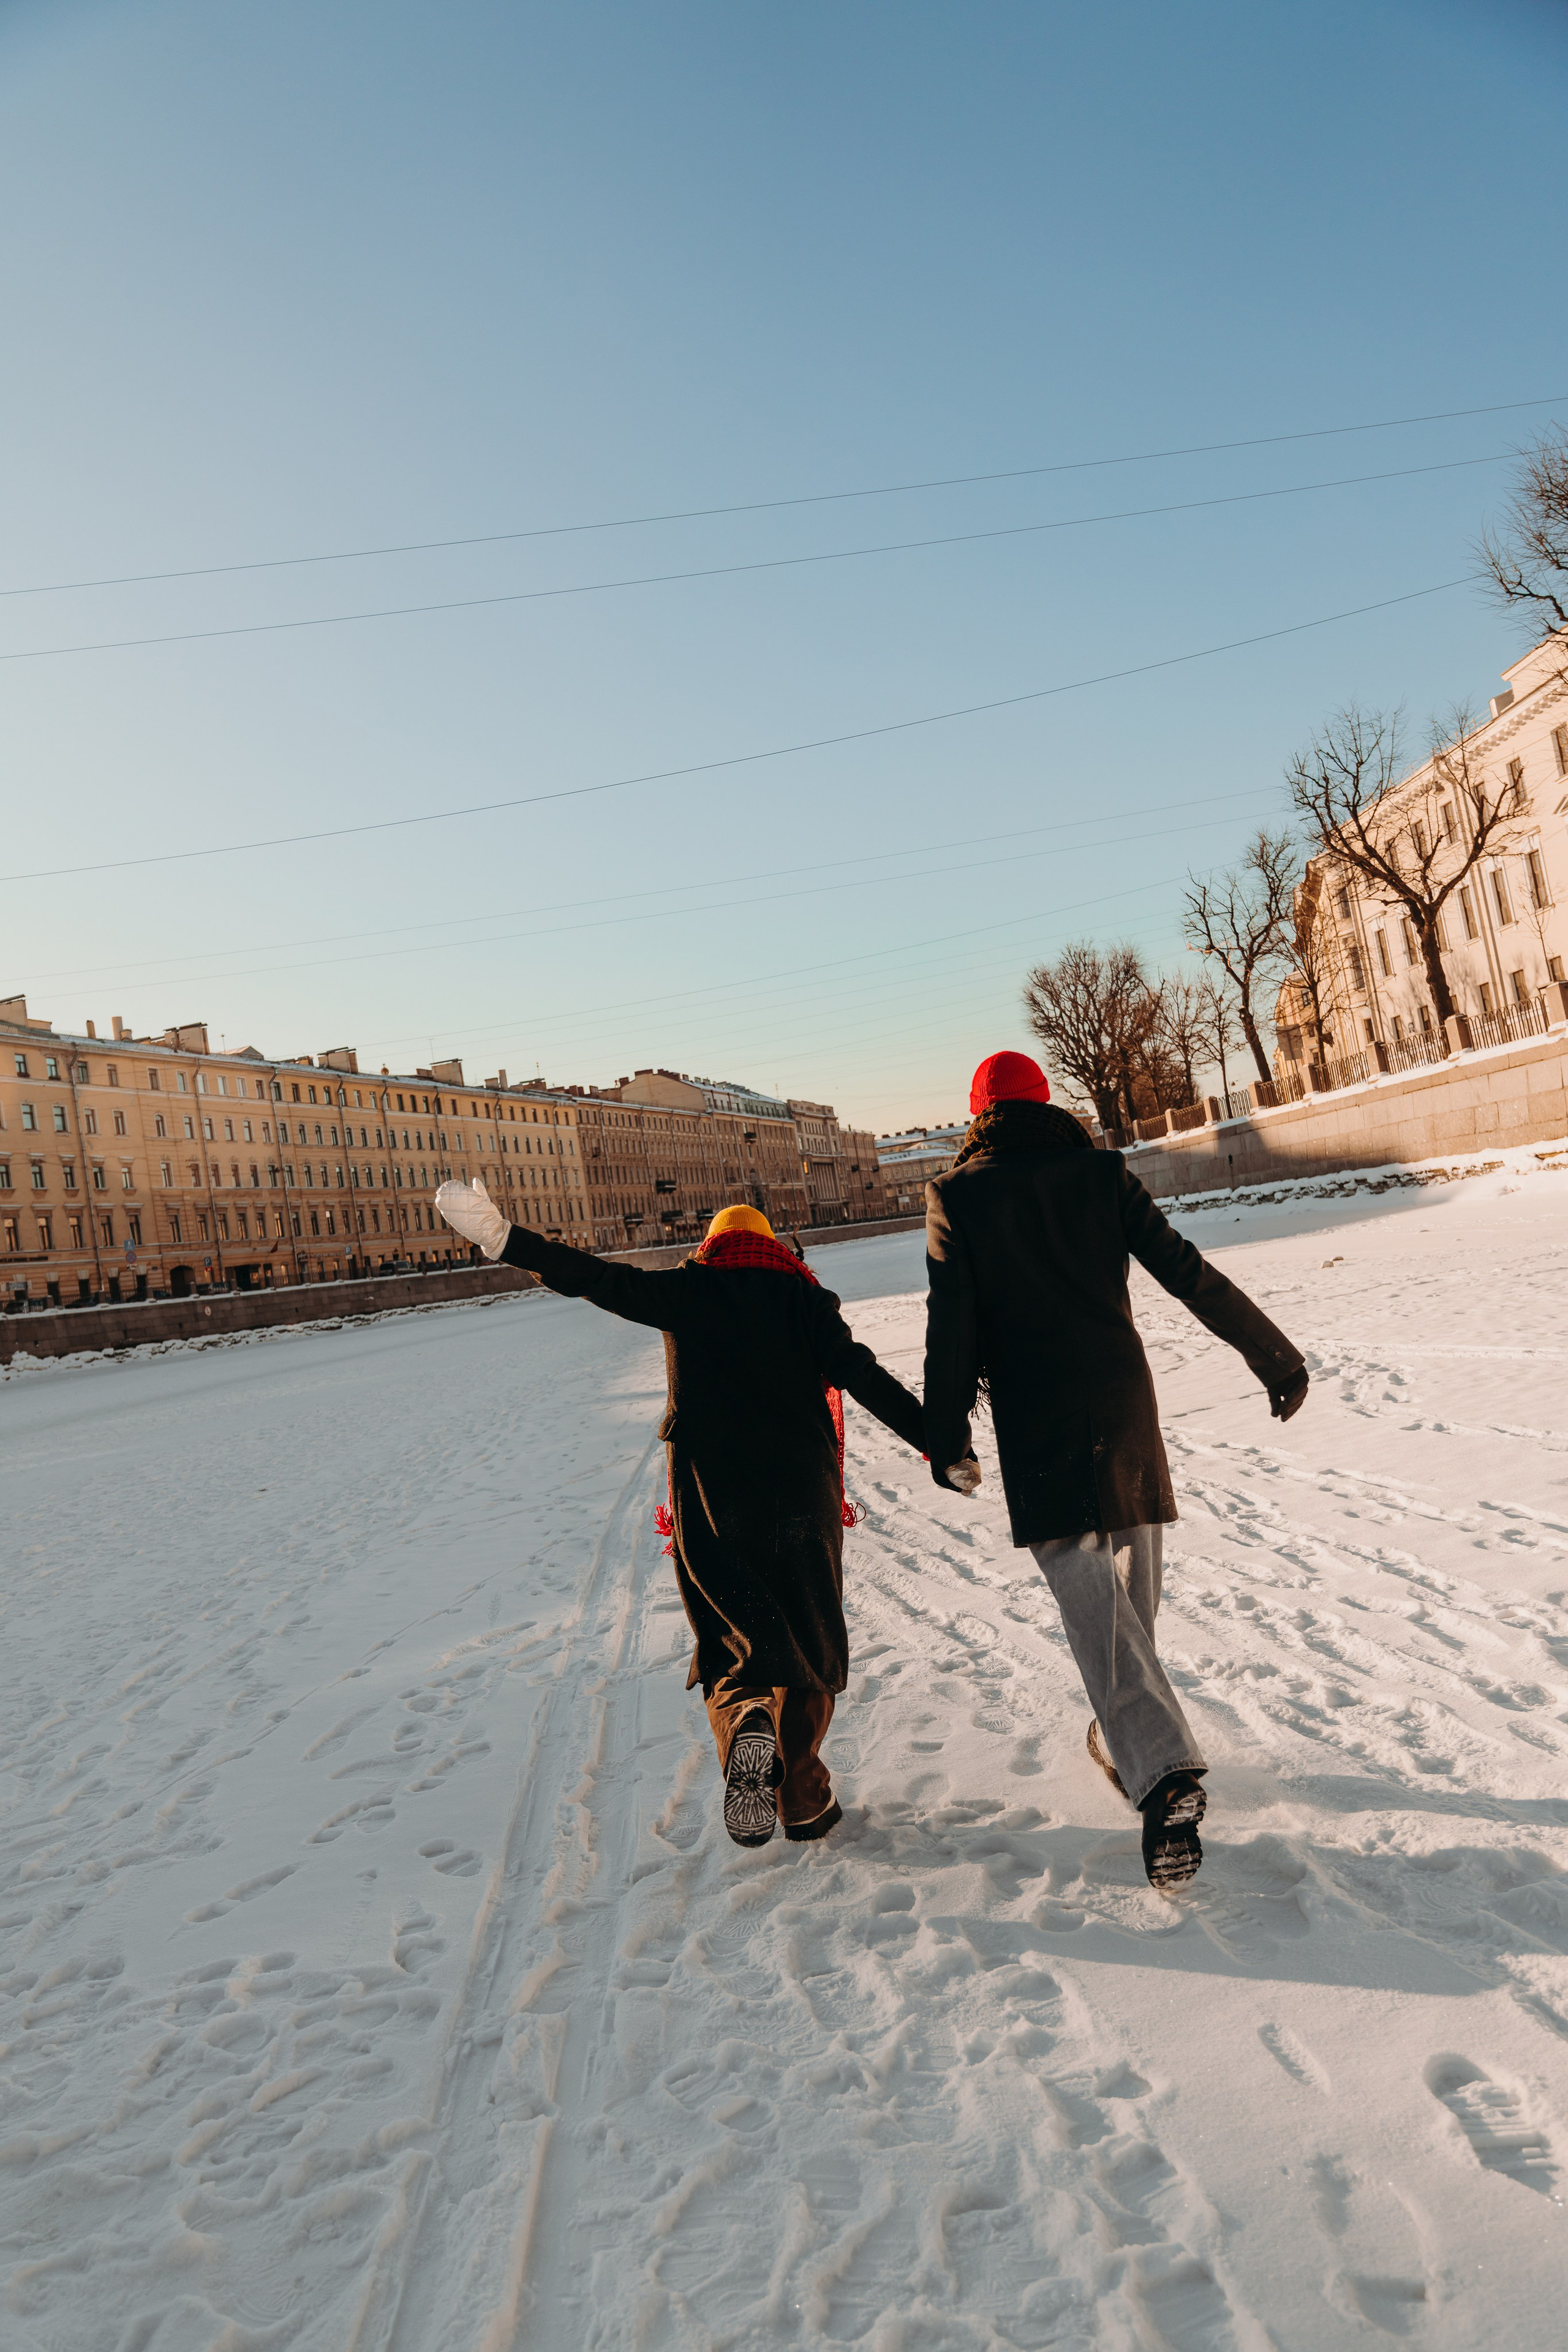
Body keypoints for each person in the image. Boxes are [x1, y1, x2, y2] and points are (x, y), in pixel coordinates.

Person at [434, 1184, 938, 1847]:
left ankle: (746, 1718)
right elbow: (863, 1375)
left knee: (731, 1632)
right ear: (774, 1249)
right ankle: (802, 1798)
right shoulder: (806, 1299)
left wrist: (507, 1240)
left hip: (711, 1493)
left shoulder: (687, 1289)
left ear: (712, 1247)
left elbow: (596, 1278)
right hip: (801, 1491)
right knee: (808, 1636)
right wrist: (938, 1442)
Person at [921, 1051, 1308, 1891]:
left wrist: (947, 1435)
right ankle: (1125, 1741)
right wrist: (1273, 1354)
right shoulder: (1100, 1174)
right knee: (1130, 1593)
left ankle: (1162, 1772)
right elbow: (1186, 1270)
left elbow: (950, 1328)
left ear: (978, 1115)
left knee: (1093, 1595)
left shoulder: (957, 1195)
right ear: (1046, 1105)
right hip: (1121, 1400)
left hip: (1037, 1418)